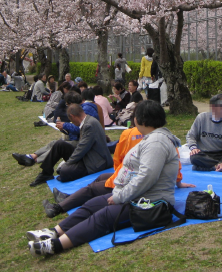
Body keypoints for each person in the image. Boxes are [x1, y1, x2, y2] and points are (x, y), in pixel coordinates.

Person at [26, 101, 181, 256]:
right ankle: (54, 232)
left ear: (143, 120)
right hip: (136, 196)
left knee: (103, 216)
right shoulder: (152, 138)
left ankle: (56, 245)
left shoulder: (157, 142)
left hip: (150, 203)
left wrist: (120, 196)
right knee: (93, 203)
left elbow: (146, 177)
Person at [41, 118, 195, 218]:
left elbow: (119, 159)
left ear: (137, 119)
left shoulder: (130, 134)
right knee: (101, 179)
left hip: (130, 184)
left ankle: (59, 207)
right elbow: (175, 163)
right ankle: (69, 199)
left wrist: (117, 177)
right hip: (135, 179)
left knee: (94, 188)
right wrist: (178, 181)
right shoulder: (166, 139)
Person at [28, 104, 113, 187]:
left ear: (72, 116)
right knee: (59, 144)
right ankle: (45, 173)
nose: (71, 122)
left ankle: (59, 171)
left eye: (70, 120)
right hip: (88, 156)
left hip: (96, 162)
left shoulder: (89, 125)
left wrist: (67, 164)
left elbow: (82, 149)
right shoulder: (88, 121)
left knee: (64, 172)